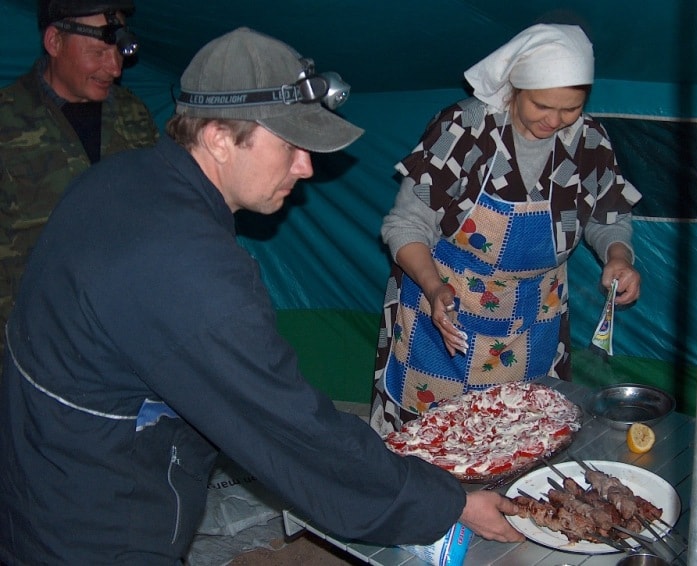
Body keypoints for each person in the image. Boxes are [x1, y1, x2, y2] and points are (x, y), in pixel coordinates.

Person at [0, 27, 522, 564]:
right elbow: (294, 434)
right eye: (291, 145)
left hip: (36, 467)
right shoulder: (187, 267)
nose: (306, 167)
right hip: (95, 516)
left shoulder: (123, 178)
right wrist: (447, 502)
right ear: (220, 138)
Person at [369, 23, 642, 435]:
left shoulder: (590, 142)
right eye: (542, 106)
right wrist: (433, 287)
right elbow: (405, 224)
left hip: (535, 320)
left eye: (570, 108)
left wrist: (619, 257)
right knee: (439, 441)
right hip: (448, 311)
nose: (554, 121)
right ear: (515, 86)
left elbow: (609, 216)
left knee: (520, 435)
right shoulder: (464, 129)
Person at [0, 0, 158, 357]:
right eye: (100, 52)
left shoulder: (133, 115)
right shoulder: (6, 121)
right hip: (27, 350)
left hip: (118, 345)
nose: (115, 68)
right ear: (55, 42)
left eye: (118, 53)